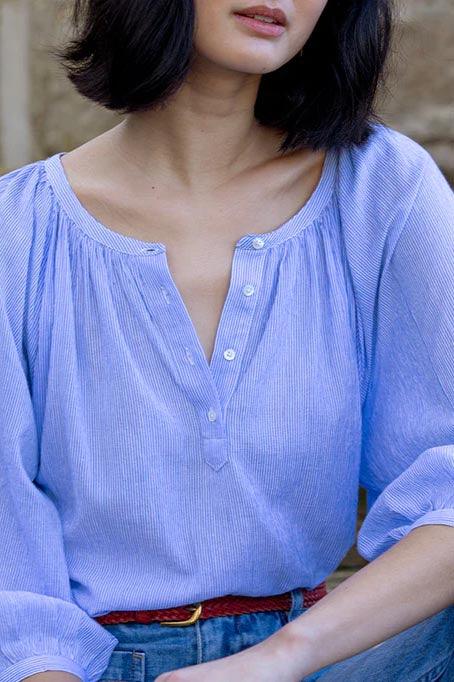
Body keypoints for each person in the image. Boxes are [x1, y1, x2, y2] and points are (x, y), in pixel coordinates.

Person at [0, 0, 453, 680]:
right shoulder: (18, 232)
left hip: (327, 655)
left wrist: (280, 659)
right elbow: (11, 575)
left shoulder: (380, 190)